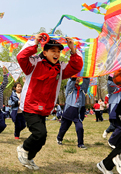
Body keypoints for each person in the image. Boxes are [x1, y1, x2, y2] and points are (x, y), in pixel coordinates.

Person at [16, 34, 83, 170]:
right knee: (39, 133)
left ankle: (29, 159)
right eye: (53, 51)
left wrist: (73, 51)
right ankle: (23, 148)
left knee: (42, 139)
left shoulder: (61, 68)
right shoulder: (33, 63)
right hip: (30, 106)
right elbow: (21, 57)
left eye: (59, 51)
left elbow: (76, 67)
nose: (56, 54)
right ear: (45, 52)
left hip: (45, 108)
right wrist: (34, 43)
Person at [56, 77, 90, 149]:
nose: (77, 80)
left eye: (78, 79)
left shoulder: (83, 90)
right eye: (76, 79)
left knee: (80, 128)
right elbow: (70, 83)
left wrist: (86, 75)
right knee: (64, 127)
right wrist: (73, 77)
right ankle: (59, 138)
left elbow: (86, 83)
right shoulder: (69, 89)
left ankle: (80, 144)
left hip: (78, 112)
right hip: (69, 111)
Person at [103, 75, 121, 149]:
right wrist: (112, 76)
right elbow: (109, 83)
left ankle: (117, 142)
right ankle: (112, 141)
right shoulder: (113, 88)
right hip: (114, 108)